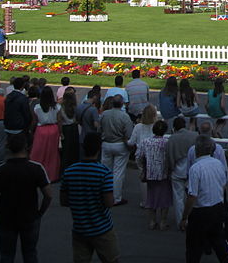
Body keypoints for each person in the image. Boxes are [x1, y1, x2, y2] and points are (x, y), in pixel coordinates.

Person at [0, 133, 52, 263]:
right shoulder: (36, 168)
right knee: (30, 253)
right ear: (26, 147)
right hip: (30, 216)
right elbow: (48, 195)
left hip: (7, 217)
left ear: (9, 148)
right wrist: (40, 213)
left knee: (6, 255)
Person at [60, 133, 119, 263]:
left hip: (80, 227)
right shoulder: (104, 172)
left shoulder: (69, 171)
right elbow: (109, 202)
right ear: (99, 148)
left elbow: (63, 201)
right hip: (102, 228)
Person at [180, 136, 228, 263]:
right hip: (217, 207)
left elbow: (192, 195)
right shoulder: (218, 164)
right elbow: (223, 185)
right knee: (219, 242)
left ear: (196, 150)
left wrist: (185, 217)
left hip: (200, 211)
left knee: (193, 247)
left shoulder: (195, 168)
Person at [136, 120, 173, 230]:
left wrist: (142, 168)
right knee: (165, 197)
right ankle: (163, 221)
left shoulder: (145, 142)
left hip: (150, 172)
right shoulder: (167, 142)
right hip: (164, 173)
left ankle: (152, 221)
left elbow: (138, 156)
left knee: (151, 197)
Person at [99, 94, 132, 206]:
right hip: (119, 144)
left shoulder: (104, 114)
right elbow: (128, 134)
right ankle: (116, 197)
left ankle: (103, 194)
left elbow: (99, 128)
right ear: (122, 104)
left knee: (105, 171)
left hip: (107, 143)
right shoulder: (124, 116)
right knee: (118, 173)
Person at [166, 117, 198, 227]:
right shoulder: (194, 136)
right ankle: (194, 218)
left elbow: (169, 157)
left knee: (178, 198)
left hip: (177, 170)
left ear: (174, 127)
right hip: (191, 170)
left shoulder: (172, 139)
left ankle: (181, 221)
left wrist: (169, 169)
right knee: (194, 195)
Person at [129, 104, 158, 208]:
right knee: (154, 178)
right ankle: (153, 200)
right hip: (154, 154)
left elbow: (131, 142)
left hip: (141, 154)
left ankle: (145, 201)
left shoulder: (138, 127)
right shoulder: (156, 126)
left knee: (143, 178)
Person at [30, 86, 61, 182]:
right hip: (53, 130)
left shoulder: (37, 107)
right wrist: (61, 133)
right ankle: (52, 175)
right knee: (52, 154)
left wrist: (31, 130)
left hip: (41, 130)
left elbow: (34, 121)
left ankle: (36, 174)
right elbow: (59, 121)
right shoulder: (57, 107)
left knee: (38, 152)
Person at [59, 90, 80, 173]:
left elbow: (60, 120)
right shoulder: (75, 107)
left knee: (65, 150)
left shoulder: (61, 107)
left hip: (65, 128)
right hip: (73, 128)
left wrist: (60, 132)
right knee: (74, 150)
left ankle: (64, 169)